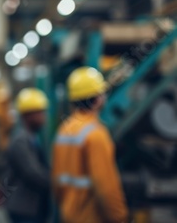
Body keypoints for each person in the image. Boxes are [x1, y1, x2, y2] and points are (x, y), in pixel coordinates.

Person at [52, 67, 128, 223]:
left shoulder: (64, 129)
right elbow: (106, 187)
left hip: (69, 215)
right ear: (98, 99)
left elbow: (56, 181)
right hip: (91, 218)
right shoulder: (96, 134)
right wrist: (120, 217)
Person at [5, 88, 50, 223]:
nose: (44, 117)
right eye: (40, 113)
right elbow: (33, 173)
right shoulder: (21, 141)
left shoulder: (32, 138)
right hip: (24, 209)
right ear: (28, 116)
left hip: (31, 208)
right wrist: (57, 181)